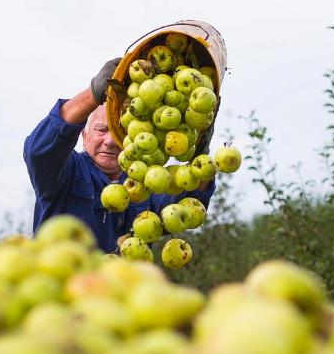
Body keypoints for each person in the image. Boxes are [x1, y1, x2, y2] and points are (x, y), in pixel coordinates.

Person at [23, 58, 216, 252]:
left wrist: (199, 151)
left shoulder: (143, 183)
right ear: (84, 135)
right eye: (101, 129)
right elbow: (38, 151)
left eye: (119, 131)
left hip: (123, 281)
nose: (110, 140)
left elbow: (190, 202)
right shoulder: (67, 171)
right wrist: (92, 95)